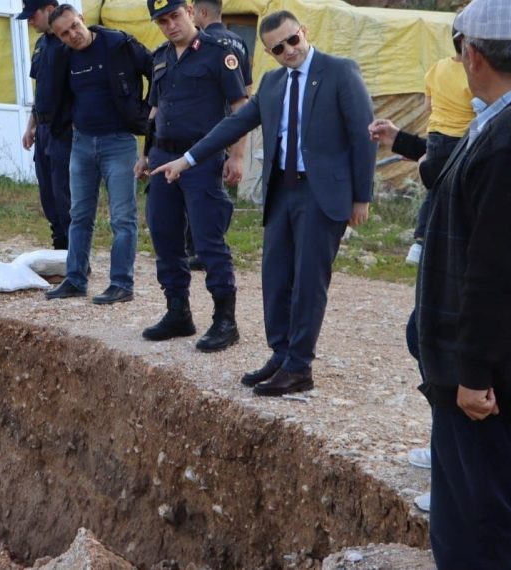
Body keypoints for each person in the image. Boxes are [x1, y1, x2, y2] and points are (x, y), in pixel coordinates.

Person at [152, 10, 376, 396]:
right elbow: (232, 125)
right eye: (278, 48)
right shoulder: (272, 84)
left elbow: (363, 135)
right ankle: (281, 354)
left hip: (322, 194)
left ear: (304, 32)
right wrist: (188, 159)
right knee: (275, 277)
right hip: (282, 191)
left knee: (308, 281)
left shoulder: (340, 71)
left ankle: (300, 366)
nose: (289, 50)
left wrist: (362, 196)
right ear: (270, 53)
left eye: (292, 40)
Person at [411, 0, 511, 567]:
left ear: (472, 56)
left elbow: (499, 268)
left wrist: (471, 374)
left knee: (481, 542)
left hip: (494, 397)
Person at [133, 0, 248, 352]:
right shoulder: (161, 57)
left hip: (202, 159)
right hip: (163, 157)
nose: (170, 25)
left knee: (208, 241)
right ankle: (178, 311)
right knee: (165, 236)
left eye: (175, 16)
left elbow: (240, 108)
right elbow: (154, 109)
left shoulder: (219, 51)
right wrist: (144, 154)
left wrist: (238, 157)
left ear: (191, 11)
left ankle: (224, 321)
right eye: (162, 21)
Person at [44, 4, 152, 305]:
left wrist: (145, 112)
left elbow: (156, 69)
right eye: (64, 34)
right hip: (81, 142)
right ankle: (75, 279)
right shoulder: (63, 57)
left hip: (119, 142)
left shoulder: (118, 43)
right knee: (78, 215)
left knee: (122, 217)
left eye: (74, 27)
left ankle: (121, 283)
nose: (72, 35)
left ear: (82, 20)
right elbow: (53, 94)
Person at [182, 0, 255, 273]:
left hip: (202, 127)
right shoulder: (239, 42)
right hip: (229, 125)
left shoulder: (204, 42)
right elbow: (245, 90)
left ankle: (199, 248)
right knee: (215, 188)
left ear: (200, 12)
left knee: (196, 190)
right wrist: (237, 153)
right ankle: (209, 244)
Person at [405, 27, 475, 265]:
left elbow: (427, 106)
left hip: (436, 134)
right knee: (458, 190)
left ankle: (420, 241)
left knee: (434, 186)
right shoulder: (473, 72)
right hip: (461, 137)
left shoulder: (437, 68)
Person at [19, 0, 72, 252]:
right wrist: (31, 124)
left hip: (66, 129)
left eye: (33, 15)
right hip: (43, 129)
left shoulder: (69, 42)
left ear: (50, 10)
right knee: (48, 193)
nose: (30, 21)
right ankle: (59, 250)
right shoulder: (41, 45)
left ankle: (75, 255)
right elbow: (41, 89)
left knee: (65, 194)